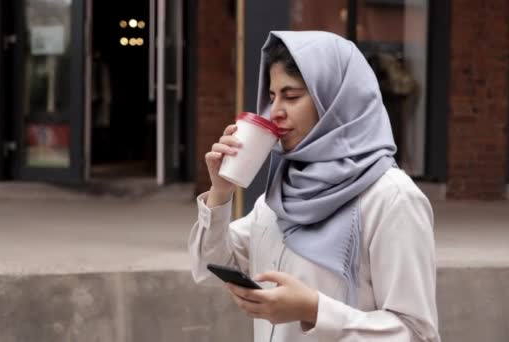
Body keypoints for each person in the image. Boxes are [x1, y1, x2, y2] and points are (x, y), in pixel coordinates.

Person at [188, 31, 439, 342]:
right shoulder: (282, 192)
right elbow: (208, 266)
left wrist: (315, 310)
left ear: (334, 100)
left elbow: (417, 334)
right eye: (272, 97)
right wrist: (221, 193)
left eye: (291, 96)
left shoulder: (391, 198)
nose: (275, 111)